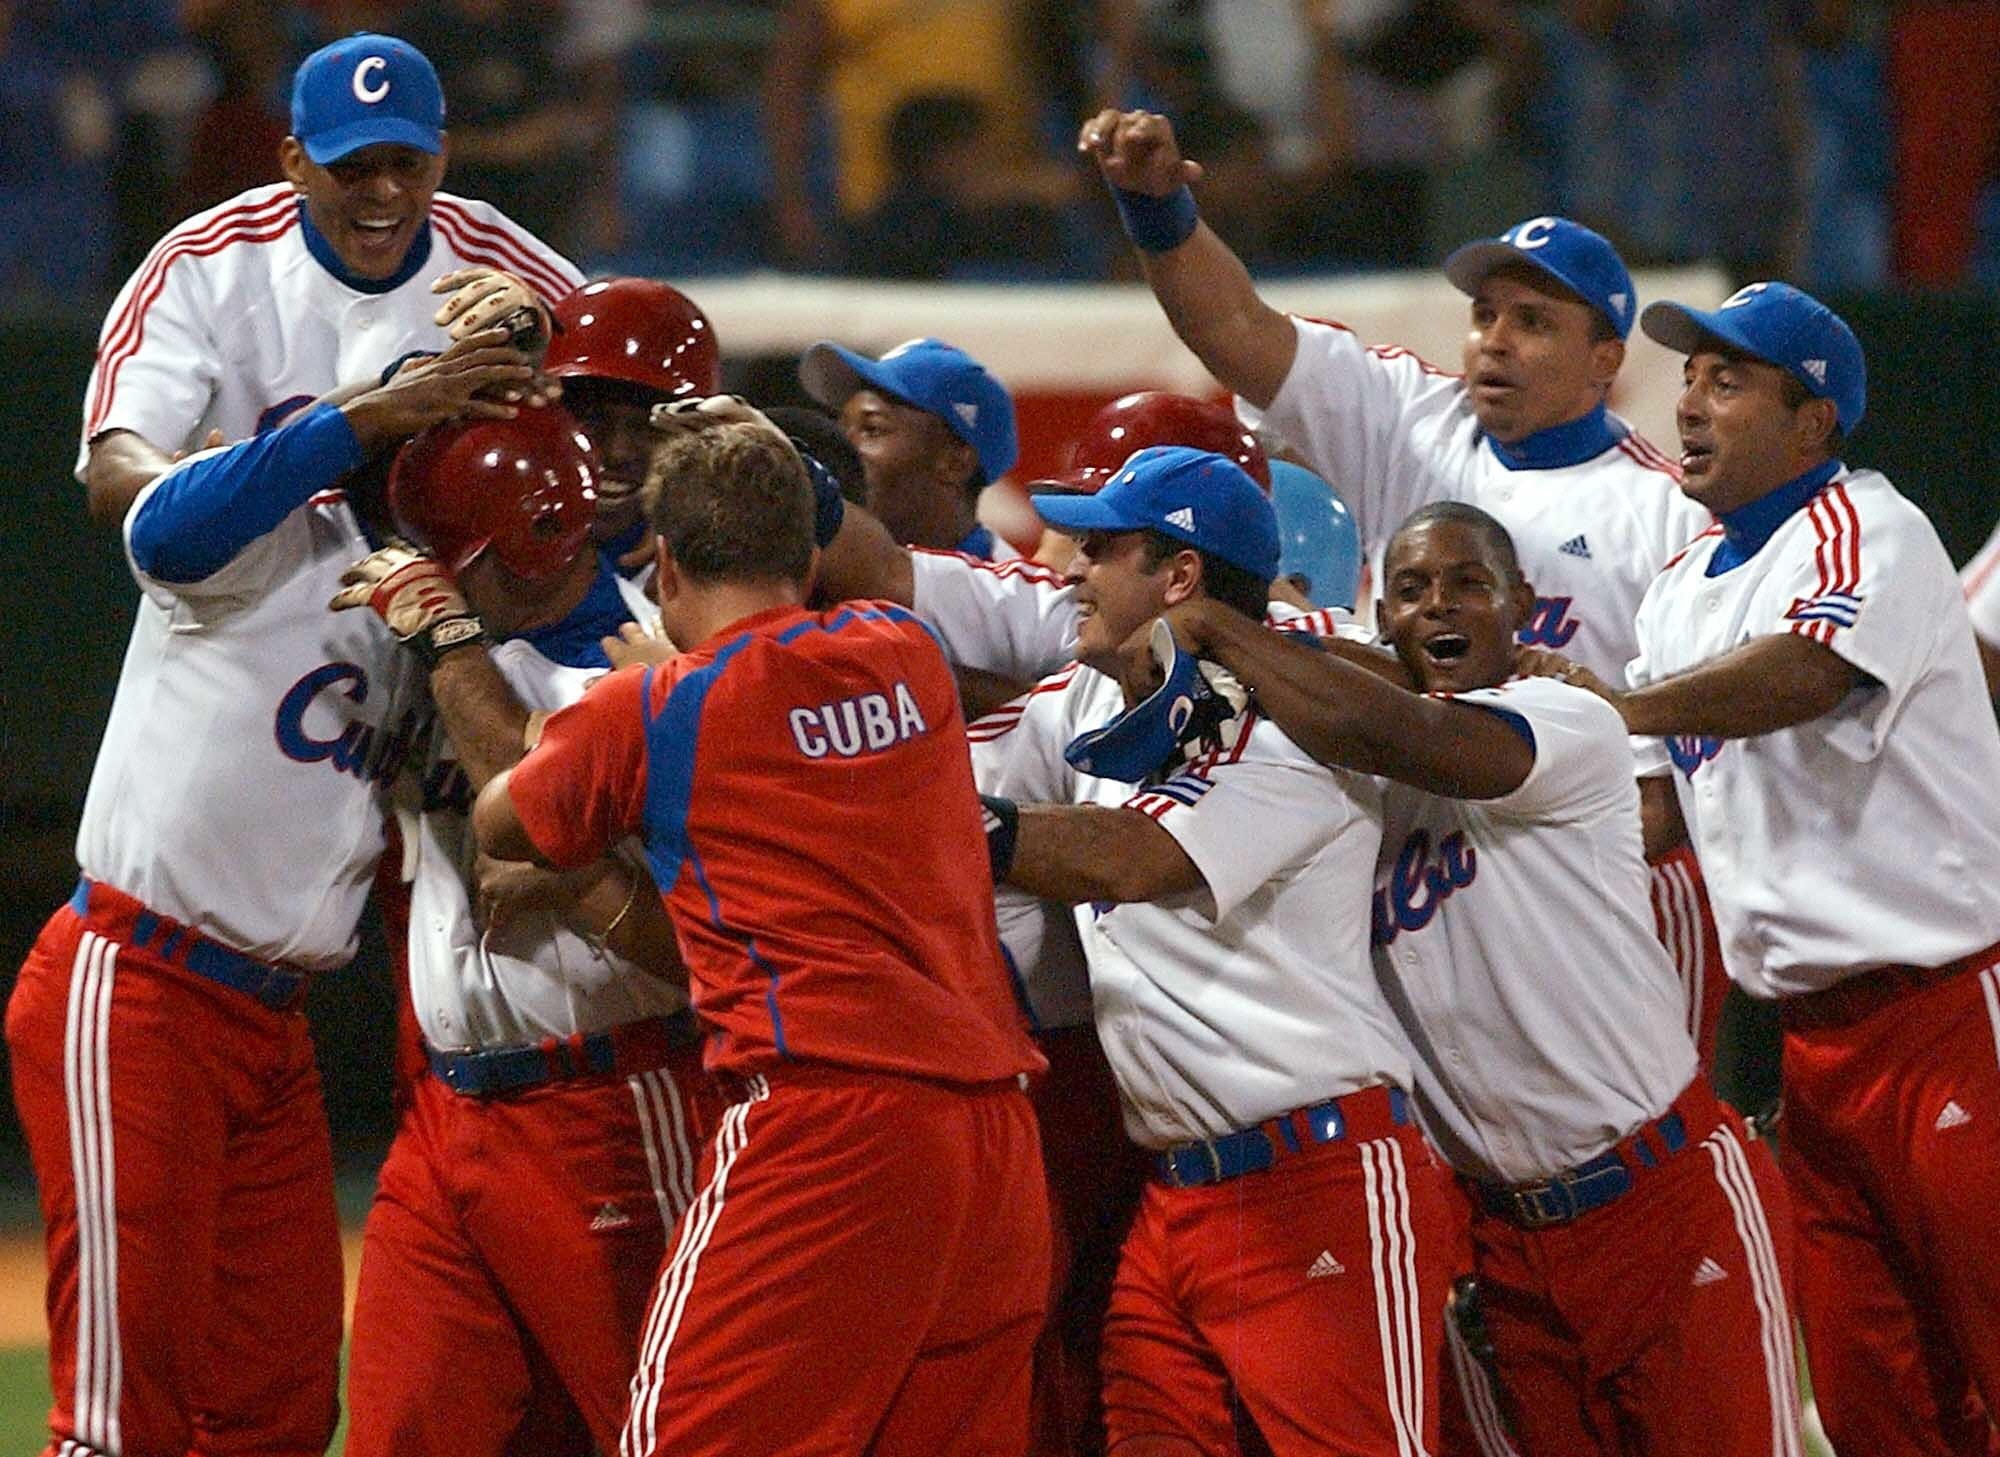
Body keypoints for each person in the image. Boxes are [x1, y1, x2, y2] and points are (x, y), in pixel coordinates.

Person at [1075, 108, 1732, 1079]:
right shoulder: (1408, 417)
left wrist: (1514, 799)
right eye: (1484, 315)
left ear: (1606, 359)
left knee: (1633, 1119)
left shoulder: (1665, 515)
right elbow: (1233, 328)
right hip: (1419, 849)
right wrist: (1156, 209)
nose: (1494, 341)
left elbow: (1674, 790)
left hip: (1592, 878)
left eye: (1532, 321)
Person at [1160, 499, 1802, 1455]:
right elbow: (1364, 700)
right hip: (1505, 1240)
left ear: (1523, 607)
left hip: (1661, 1199)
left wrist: (1215, 623)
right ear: (1383, 620)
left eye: (1469, 583)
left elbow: (1413, 734)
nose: (1440, 606)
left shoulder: (1566, 719)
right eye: (1412, 589)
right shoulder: (1358, 776)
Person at [471, 402, 1052, 1457]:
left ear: (664, 564)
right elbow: (836, 634)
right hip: (994, 1134)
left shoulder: (659, 705)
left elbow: (502, 819)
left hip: (826, 1122)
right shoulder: (902, 654)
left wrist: (630, 685)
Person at [4, 333, 538, 1457]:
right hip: (139, 977)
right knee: (117, 1415)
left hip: (269, 1019)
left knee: (276, 1405)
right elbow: (157, 524)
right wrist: (353, 419)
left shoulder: (434, 614)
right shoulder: (272, 529)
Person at [1538, 280, 2000, 1457]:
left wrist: (1618, 704)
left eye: (1727, 379)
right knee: (1868, 1396)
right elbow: (1650, 812)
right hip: (1810, 1049)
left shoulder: (1867, 525)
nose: (1689, 400)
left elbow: (1804, 673)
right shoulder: (1679, 591)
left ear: (1812, 421)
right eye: (1687, 376)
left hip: (1949, 1013)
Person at [977, 446, 1449, 1455]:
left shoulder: (1289, 732)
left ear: (1178, 577)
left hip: (1314, 1176)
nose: (1069, 565)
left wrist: (964, 829)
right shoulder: (1087, 700)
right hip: (1173, 1195)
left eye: (1102, 548)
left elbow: (1130, 856)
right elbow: (948, 745)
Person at [330, 404, 717, 1457]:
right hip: (448, 1111)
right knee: (403, 1428)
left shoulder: (646, 660)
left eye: (457, 562)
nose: (434, 583)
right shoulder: (458, 642)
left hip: (613, 1098)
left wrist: (450, 640)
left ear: (539, 538)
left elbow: (525, 790)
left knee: (659, 1429)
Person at [78, 30, 583, 527]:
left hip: (434, 604)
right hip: (239, 607)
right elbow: (113, 472)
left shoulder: (504, 259)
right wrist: (211, 488)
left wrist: (548, 348)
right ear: (296, 165)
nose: (385, 190)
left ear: (441, 159)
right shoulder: (205, 263)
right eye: (353, 167)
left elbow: (644, 425)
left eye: (406, 164)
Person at [541, 275, 723, 570]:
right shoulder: (480, 553)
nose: (617, 452)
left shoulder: (724, 568)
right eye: (592, 419)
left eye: (647, 426)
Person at [799, 335, 1020, 557]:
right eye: (843, 427)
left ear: (956, 463)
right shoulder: (805, 569)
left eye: (872, 429)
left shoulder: (1007, 590)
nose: (841, 445)